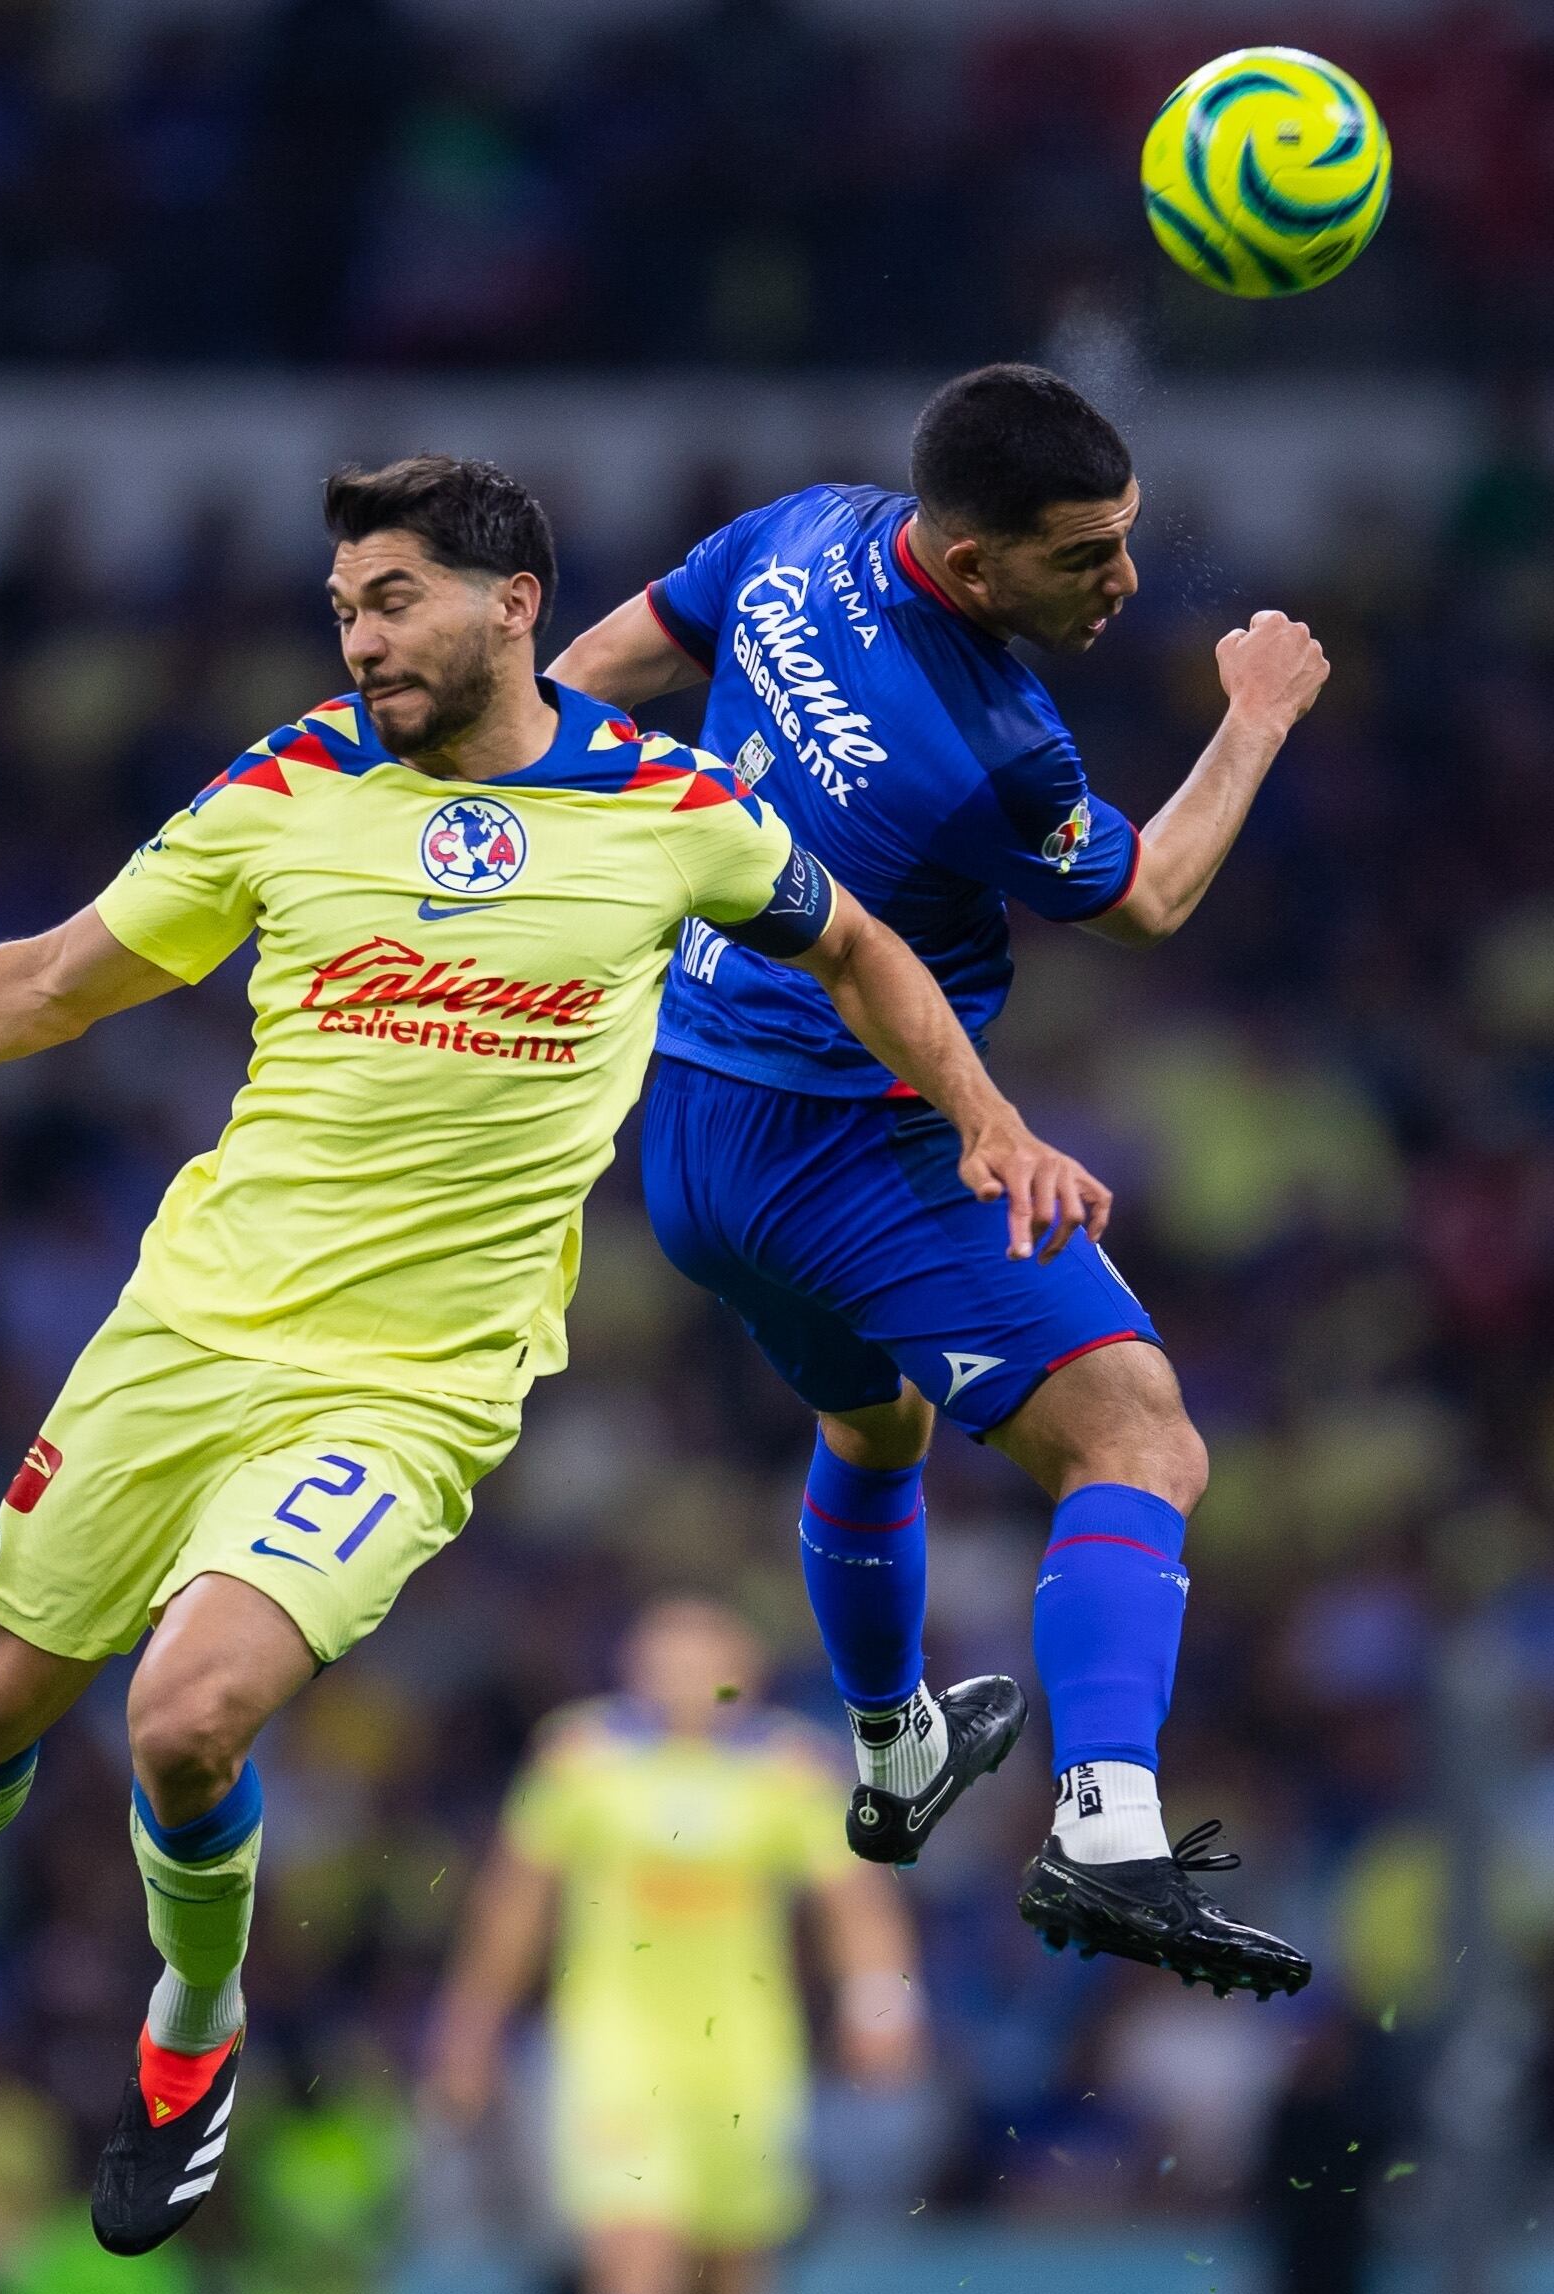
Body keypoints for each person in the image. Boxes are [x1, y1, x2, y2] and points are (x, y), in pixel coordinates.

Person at [0, 455, 1102, 2260]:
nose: (363, 641)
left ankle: (189, 2032)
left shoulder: (669, 805)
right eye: (344, 610)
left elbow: (862, 948)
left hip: (415, 1389)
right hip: (185, 1333)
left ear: (512, 604)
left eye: (392, 601)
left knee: (186, 1712)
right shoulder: (292, 783)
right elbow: (50, 982)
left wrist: (986, 1124)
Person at [548, 363, 1324, 1999]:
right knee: (1137, 1433)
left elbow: (592, 671)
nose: (1122, 581)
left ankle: (897, 1743)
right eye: (1084, 556)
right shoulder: (991, 748)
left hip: (691, 1134)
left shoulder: (798, 530)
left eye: (1127, 540)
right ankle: (1109, 1826)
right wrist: (1254, 716)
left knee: (875, 1422)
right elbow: (1155, 898)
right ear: (972, 567)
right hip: (847, 1138)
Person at [422, 1596, 923, 2294]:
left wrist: (881, 2006)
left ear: (746, 1670)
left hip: (744, 2050)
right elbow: (514, 1900)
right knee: (632, 2247)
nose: (686, 1675)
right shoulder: (580, 1757)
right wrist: (469, 2028)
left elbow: (853, 1900)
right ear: (633, 1664)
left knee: (735, 2266)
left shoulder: (788, 1769)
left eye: (706, 1658)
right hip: (616, 2045)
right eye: (666, 1656)